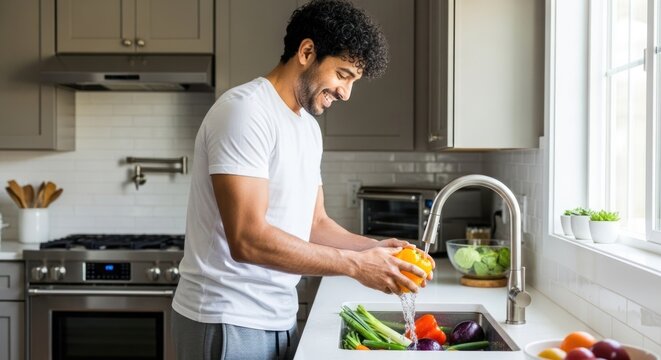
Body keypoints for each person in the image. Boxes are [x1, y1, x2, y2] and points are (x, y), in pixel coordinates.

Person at [171, 1, 434, 359]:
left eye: (353, 81)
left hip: (279, 316)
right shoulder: (245, 111)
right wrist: (357, 266)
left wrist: (375, 250)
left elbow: (314, 223)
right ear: (307, 52)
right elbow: (247, 239)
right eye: (342, 75)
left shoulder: (308, 128)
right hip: (225, 318)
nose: (346, 93)